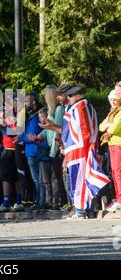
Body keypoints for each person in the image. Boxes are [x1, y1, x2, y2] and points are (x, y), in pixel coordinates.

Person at [40, 85, 110, 218]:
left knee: (79, 182)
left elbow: (84, 132)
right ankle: (84, 210)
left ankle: (81, 210)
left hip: (79, 152)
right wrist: (52, 126)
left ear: (77, 96)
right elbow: (71, 130)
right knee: (80, 181)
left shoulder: (81, 107)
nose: (66, 98)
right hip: (77, 151)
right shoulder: (77, 107)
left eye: (70, 96)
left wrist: (86, 150)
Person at [99, 89, 121, 211]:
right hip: (112, 144)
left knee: (118, 173)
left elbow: (113, 130)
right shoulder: (112, 113)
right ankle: (117, 199)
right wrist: (108, 126)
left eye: (115, 100)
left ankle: (120, 200)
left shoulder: (120, 113)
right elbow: (101, 126)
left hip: (118, 145)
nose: (112, 102)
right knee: (114, 173)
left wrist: (108, 126)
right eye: (111, 100)